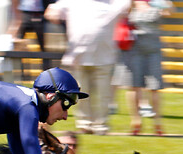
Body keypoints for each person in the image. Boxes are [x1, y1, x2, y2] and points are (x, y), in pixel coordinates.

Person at [44, 0, 131, 135]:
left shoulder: (115, 3)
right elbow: (52, 10)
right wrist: (53, 14)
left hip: (105, 57)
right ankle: (85, 124)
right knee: (80, 94)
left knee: (103, 95)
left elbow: (129, 5)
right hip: (78, 56)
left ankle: (101, 125)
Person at [120, 0, 174, 136]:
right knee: (134, 85)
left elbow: (170, 11)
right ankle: (136, 121)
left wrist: (165, 4)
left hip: (153, 50)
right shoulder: (130, 4)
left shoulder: (156, 3)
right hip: (134, 49)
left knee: (154, 86)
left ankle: (157, 122)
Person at [10, 0, 52, 72]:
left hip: (39, 13)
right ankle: (20, 70)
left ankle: (46, 69)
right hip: (24, 12)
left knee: (42, 44)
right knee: (19, 45)